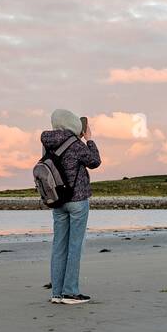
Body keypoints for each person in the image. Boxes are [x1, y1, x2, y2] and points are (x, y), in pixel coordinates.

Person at [42, 109, 100, 304]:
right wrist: (89, 139)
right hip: (77, 199)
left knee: (59, 246)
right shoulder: (75, 144)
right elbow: (94, 162)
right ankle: (70, 292)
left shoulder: (46, 143)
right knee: (75, 246)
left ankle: (57, 293)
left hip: (57, 201)